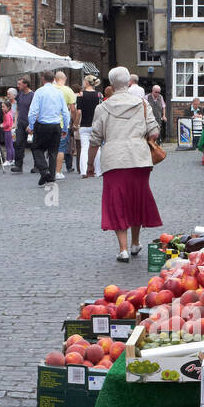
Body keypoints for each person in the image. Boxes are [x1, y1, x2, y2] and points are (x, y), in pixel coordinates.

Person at [88, 66, 162, 261]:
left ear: (112, 84)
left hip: (114, 160)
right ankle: (135, 243)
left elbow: (95, 139)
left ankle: (123, 250)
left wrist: (89, 165)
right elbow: (154, 132)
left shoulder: (102, 108)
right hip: (139, 159)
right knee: (136, 200)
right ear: (129, 82)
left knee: (118, 203)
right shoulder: (142, 104)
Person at [28, 70, 70, 185]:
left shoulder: (39, 92)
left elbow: (33, 111)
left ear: (43, 79)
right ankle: (50, 176)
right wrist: (65, 128)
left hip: (42, 124)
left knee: (37, 148)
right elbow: (66, 113)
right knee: (53, 151)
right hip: (56, 125)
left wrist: (31, 125)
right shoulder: (59, 93)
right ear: (54, 80)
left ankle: (44, 170)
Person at [54, 71, 79, 174]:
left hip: (49, 122)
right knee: (61, 148)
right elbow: (73, 109)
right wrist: (74, 122)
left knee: (52, 148)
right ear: (65, 79)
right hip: (63, 123)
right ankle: (58, 172)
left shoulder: (50, 89)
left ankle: (51, 169)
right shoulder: (68, 91)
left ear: (55, 79)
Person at [76, 75, 101, 178]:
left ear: (86, 83)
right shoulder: (99, 95)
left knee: (85, 148)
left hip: (84, 125)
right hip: (95, 124)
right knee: (97, 148)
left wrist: (75, 123)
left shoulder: (81, 95)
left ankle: (84, 171)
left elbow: (79, 112)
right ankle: (98, 171)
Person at [11, 76, 32, 172]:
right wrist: (15, 122)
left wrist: (32, 124)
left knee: (34, 145)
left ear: (25, 84)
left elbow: (34, 111)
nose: (17, 86)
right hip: (21, 122)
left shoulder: (33, 95)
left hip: (30, 123)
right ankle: (18, 165)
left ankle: (37, 166)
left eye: (19, 84)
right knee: (18, 143)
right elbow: (18, 109)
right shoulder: (20, 95)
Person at [0, 98, 15, 164]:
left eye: (3, 107)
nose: (2, 108)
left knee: (8, 146)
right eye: (2, 107)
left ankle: (8, 160)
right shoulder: (10, 113)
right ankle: (13, 159)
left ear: (8, 107)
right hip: (10, 131)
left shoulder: (6, 115)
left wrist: (2, 125)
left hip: (7, 131)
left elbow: (8, 123)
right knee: (11, 146)